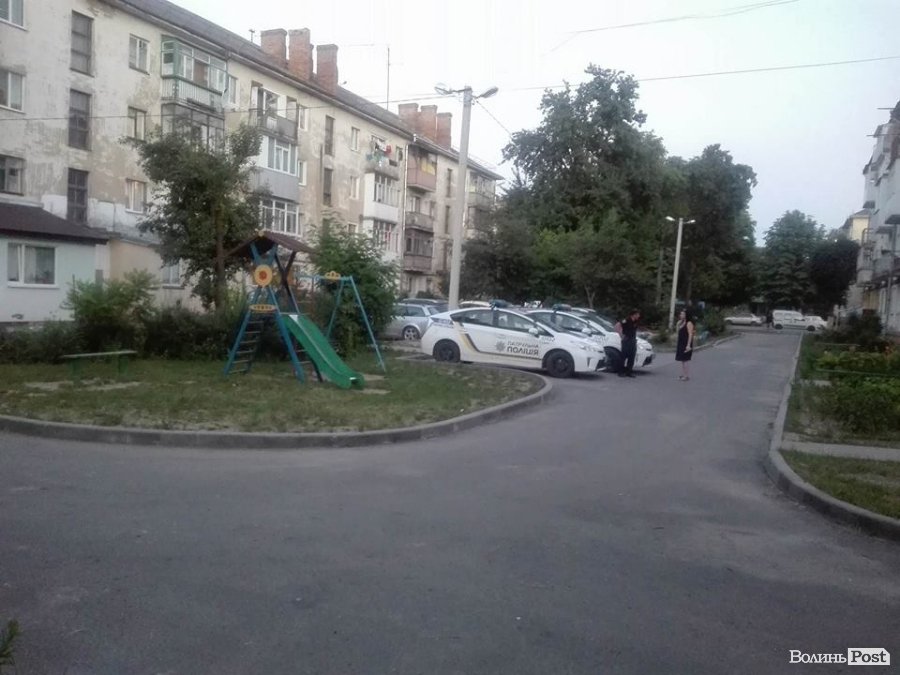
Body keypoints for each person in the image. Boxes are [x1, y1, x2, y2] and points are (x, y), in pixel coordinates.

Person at [615, 309, 640, 378]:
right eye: (638, 314)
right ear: (634, 315)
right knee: (623, 356)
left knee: (632, 356)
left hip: (633, 340)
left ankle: (629, 372)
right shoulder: (626, 320)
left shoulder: (636, 321)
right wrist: (621, 335)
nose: (639, 316)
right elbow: (617, 325)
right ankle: (620, 372)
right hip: (626, 340)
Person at [675, 309, 695, 381]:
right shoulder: (682, 323)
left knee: (685, 359)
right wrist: (678, 324)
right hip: (681, 343)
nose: (681, 315)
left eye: (682, 314)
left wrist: (688, 345)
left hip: (686, 343)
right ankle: (684, 374)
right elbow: (678, 332)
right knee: (682, 360)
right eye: (681, 314)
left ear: (686, 315)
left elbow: (690, 334)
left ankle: (686, 376)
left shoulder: (689, 323)